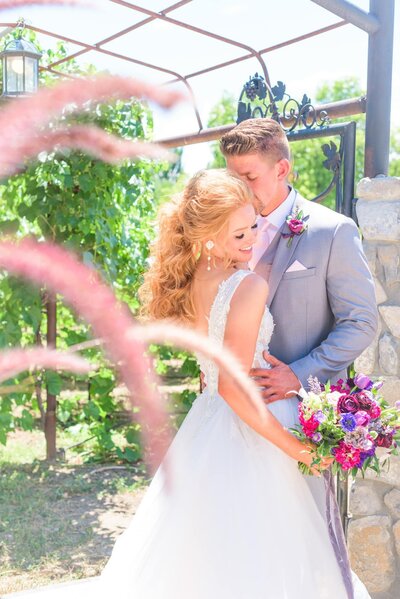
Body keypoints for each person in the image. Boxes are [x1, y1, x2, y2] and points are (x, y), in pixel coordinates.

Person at [8, 169, 370, 599]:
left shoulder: (196, 279)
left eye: (253, 226)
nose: (252, 241)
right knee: (263, 555)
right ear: (210, 237)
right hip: (248, 427)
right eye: (239, 236)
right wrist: (297, 448)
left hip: (207, 423)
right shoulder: (246, 286)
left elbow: (217, 366)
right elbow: (235, 387)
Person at [220, 117, 378, 513]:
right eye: (232, 177)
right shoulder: (221, 233)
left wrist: (300, 374)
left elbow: (362, 322)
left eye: (249, 176)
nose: (239, 188)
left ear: (282, 169)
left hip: (297, 419)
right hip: (229, 415)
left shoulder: (332, 232)